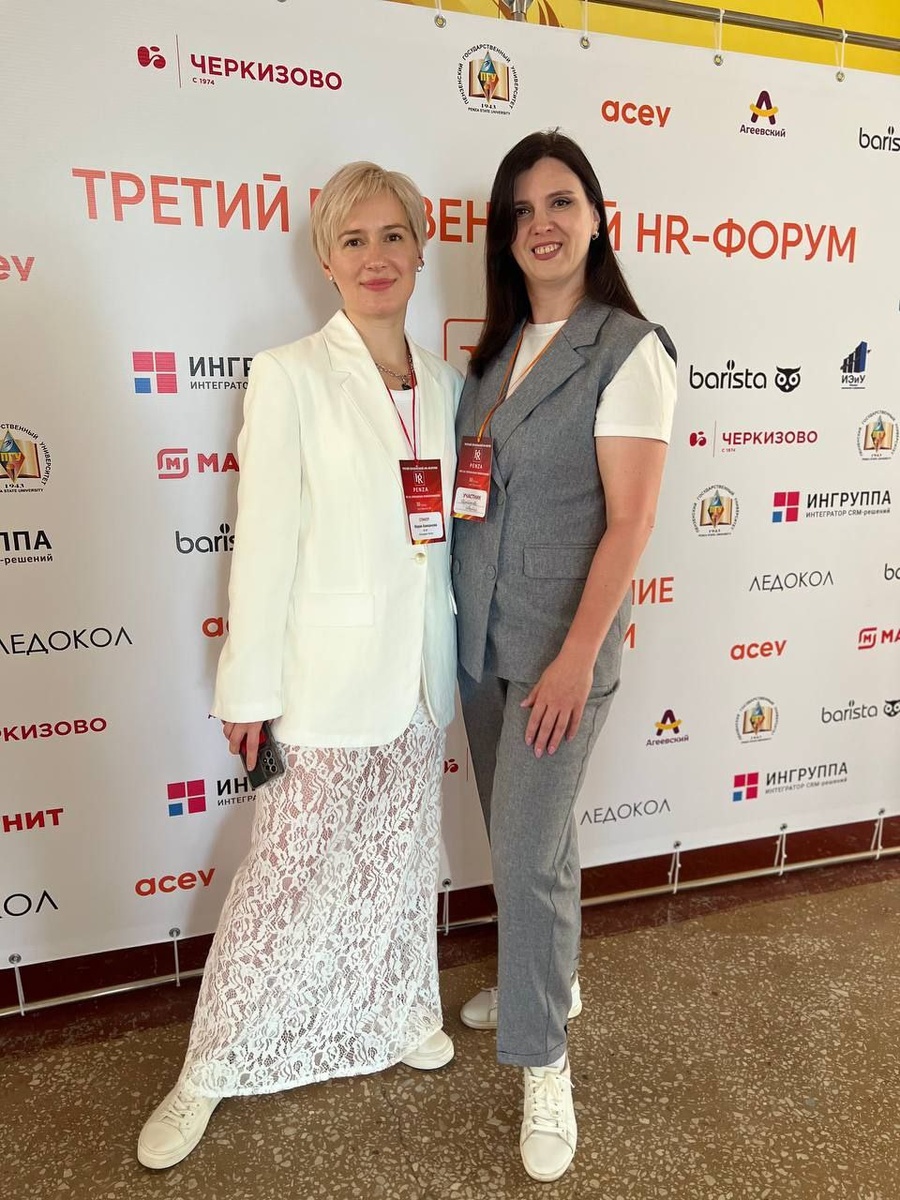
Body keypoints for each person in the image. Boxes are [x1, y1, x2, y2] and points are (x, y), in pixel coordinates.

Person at [137, 162, 462, 1170]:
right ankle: (209, 1069)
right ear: (327, 259)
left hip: (421, 675)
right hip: (324, 676)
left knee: (398, 863)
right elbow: (265, 541)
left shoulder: (445, 383)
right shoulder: (288, 374)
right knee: (284, 877)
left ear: (420, 249)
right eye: (354, 240)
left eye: (394, 235)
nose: (376, 256)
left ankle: (401, 1012)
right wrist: (250, 690)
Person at [451, 130, 677, 1183]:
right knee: (532, 842)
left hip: (560, 652)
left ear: (595, 217)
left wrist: (580, 657)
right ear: (505, 235)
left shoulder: (627, 349)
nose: (540, 223)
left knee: (526, 853)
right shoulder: (495, 352)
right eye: (521, 210)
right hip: (481, 642)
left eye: (560, 202)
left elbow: (631, 523)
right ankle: (553, 979)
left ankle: (544, 1058)